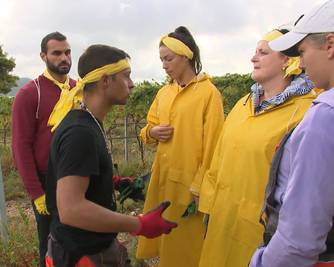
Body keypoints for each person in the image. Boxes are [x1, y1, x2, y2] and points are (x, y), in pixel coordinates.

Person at [44, 44, 178, 267]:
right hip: (80, 256)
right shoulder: (80, 133)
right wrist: (139, 225)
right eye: (126, 76)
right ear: (105, 81)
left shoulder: (89, 121)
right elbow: (71, 209)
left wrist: (111, 182)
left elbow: (73, 175)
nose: (132, 84)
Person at [198, 29, 319, 267]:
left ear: (288, 60)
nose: (253, 58)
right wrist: (208, 209)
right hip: (220, 223)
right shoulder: (243, 105)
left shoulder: (304, 113)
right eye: (255, 52)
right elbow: (218, 159)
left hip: (259, 236)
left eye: (263, 52)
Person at [249, 1, 334, 266]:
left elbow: (300, 238)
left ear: (330, 45)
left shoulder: (324, 116)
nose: (301, 61)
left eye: (302, 50)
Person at [135, 26, 224, 267]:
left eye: (168, 58)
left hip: (189, 186)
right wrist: (151, 132)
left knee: (187, 246)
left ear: (186, 56)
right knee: (166, 241)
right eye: (161, 59)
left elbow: (214, 145)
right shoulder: (164, 93)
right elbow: (146, 130)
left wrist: (199, 187)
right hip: (162, 179)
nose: (164, 65)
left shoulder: (208, 93)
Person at [11, 31, 76, 267]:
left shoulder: (79, 91)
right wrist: (37, 193)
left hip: (78, 177)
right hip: (48, 181)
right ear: (43, 56)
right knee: (51, 246)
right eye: (57, 53)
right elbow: (21, 147)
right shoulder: (30, 94)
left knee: (79, 242)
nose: (64, 58)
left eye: (67, 52)